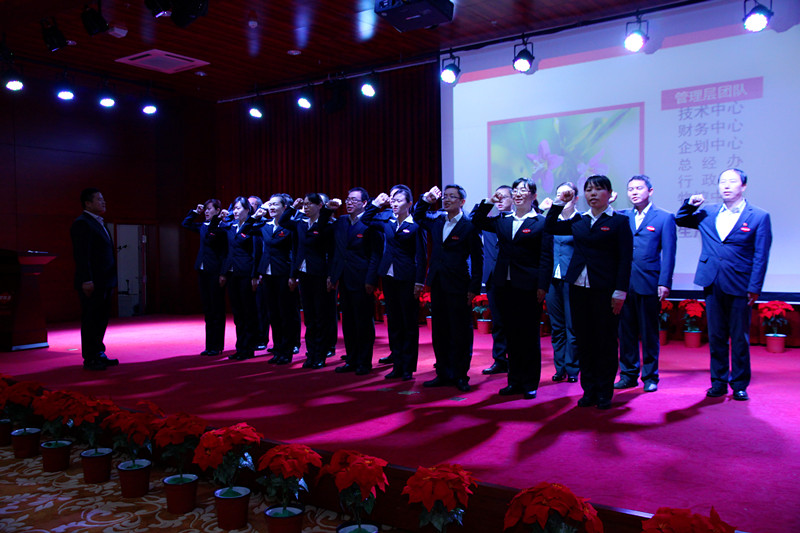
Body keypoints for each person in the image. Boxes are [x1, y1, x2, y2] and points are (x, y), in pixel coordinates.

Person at [675, 168, 772, 401]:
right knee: (716, 335)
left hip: (740, 284)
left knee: (739, 337)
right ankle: (718, 381)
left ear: (743, 186)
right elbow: (680, 219)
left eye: (732, 182)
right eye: (722, 182)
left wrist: (755, 287)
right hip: (712, 280)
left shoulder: (759, 216)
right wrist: (689, 204)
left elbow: (761, 255)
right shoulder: (707, 212)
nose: (726, 186)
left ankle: (739, 384)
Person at [545, 175, 632, 409]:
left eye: (598, 189)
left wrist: (620, 291)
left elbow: (625, 259)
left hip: (605, 290)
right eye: (589, 190)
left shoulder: (619, 222)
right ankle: (589, 390)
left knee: (604, 341)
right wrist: (559, 202)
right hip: (577, 287)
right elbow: (550, 226)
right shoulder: (579, 220)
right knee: (584, 340)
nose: (593, 194)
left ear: (609, 194)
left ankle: (604, 392)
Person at [472, 177, 550, 400]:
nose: (517, 193)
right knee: (511, 334)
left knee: (529, 335)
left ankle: (530, 383)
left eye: (523, 190)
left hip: (529, 285)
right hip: (503, 285)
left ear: (533, 196)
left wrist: (542, 286)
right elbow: (477, 221)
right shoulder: (503, 220)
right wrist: (490, 201)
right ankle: (514, 381)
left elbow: (546, 257)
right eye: (515, 190)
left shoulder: (541, 222)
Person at [414, 185, 483, 393]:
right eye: (445, 196)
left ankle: (461, 375)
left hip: (459, 284)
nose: (447, 199)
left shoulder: (469, 225)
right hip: (438, 283)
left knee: (460, 331)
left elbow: (478, 259)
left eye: (452, 196)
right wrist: (426, 199)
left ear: (462, 201)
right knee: (440, 331)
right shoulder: (437, 220)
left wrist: (474, 287)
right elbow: (418, 216)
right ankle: (443, 373)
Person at [615, 176, 677, 393]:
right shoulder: (622, 216)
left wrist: (664, 282)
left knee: (649, 332)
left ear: (650, 191)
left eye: (639, 188)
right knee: (626, 332)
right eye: (630, 189)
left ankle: (650, 376)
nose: (634, 192)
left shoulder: (664, 217)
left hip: (649, 282)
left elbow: (669, 253)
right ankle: (628, 375)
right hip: (624, 282)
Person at [362, 188, 427, 381]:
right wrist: (376, 204)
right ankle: (397, 365)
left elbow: (421, 256)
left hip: (407, 278)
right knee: (394, 322)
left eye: (399, 200)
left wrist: (419, 281)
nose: (394, 203)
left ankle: (408, 367)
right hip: (388, 277)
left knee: (408, 323)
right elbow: (365, 220)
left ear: (409, 204)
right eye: (392, 200)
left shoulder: (416, 224)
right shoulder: (387, 221)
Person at [327, 187, 382, 375]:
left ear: (365, 203)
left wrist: (371, 279)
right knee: (348, 322)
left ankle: (364, 362)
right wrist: (333, 276)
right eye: (348, 199)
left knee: (363, 322)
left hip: (362, 279)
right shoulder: (341, 221)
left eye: (354, 200)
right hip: (344, 278)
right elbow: (335, 250)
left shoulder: (371, 222)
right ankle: (351, 360)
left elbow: (375, 255)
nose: (349, 203)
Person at [279, 193, 334, 369]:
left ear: (320, 206)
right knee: (309, 317)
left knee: (320, 316)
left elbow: (331, 252)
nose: (306, 207)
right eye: (305, 204)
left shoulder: (326, 224)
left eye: (310, 204)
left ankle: (320, 355)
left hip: (319, 274)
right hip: (303, 274)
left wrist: (330, 276)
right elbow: (283, 221)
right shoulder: (301, 223)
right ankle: (311, 354)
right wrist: (293, 207)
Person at [242, 194, 297, 365]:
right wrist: (257, 214)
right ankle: (278, 349)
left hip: (283, 273)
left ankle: (287, 351)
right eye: (270, 205)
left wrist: (293, 275)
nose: (272, 208)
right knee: (272, 314)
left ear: (284, 208)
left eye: (275, 205)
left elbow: (295, 252)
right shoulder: (265, 225)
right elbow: (245, 230)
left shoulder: (290, 226)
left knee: (285, 314)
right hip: (266, 274)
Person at [70, 188, 119, 371]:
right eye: (99, 199)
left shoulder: (99, 222)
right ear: (88, 203)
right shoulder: (82, 223)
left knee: (101, 319)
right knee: (91, 319)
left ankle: (99, 353)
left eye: (103, 199)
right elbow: (82, 255)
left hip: (105, 280)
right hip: (92, 282)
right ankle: (90, 358)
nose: (103, 202)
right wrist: (86, 279)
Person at [540, 182, 580, 384]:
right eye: (559, 195)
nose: (563, 198)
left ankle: (573, 368)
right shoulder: (551, 221)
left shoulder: (581, 220)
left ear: (576, 198)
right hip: (552, 279)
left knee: (572, 326)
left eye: (567, 195)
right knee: (557, 327)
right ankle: (560, 368)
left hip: (572, 279)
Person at [181, 199, 228, 356]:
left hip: (215, 271)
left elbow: (224, 252)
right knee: (207, 309)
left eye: (209, 209)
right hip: (202, 270)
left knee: (217, 308)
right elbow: (185, 224)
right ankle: (209, 345)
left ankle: (217, 345)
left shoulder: (223, 227)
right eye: (205, 209)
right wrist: (196, 212)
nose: (206, 212)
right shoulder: (203, 225)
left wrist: (223, 273)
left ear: (217, 210)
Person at [217, 197, 260, 361]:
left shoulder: (253, 226)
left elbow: (256, 252)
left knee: (248, 311)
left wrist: (255, 275)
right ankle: (240, 347)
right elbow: (226, 250)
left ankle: (249, 347)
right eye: (234, 208)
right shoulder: (230, 226)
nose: (235, 211)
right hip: (232, 273)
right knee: (237, 313)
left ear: (247, 210)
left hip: (246, 272)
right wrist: (223, 272)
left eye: (239, 208)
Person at [480, 185, 512, 375]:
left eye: (504, 197)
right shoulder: (490, 222)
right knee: (498, 321)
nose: (500, 201)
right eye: (497, 197)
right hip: (493, 277)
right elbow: (475, 218)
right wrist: (489, 202)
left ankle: (515, 360)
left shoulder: (519, 221)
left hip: (513, 276)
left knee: (514, 321)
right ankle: (499, 360)